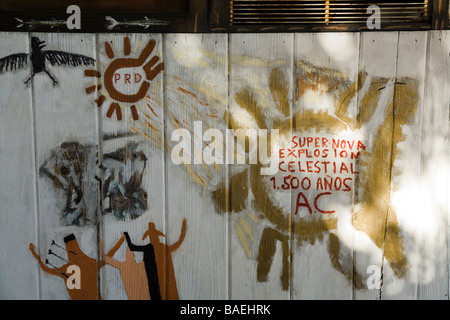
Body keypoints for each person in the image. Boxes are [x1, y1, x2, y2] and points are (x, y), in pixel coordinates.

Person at [100, 235, 150, 300]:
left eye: (130, 252)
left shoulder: (140, 265)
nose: (128, 254)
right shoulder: (126, 265)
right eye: (127, 252)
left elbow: (105, 258)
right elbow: (106, 259)